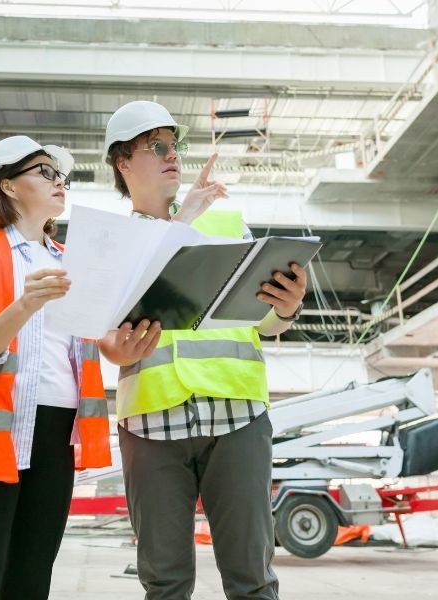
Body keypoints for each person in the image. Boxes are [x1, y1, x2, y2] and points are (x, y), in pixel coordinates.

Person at [98, 101, 308, 600]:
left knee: (253, 580)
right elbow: (104, 336)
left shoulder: (227, 224)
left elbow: (265, 322)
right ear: (123, 162)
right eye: (156, 147)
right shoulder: (110, 243)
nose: (172, 155)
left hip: (238, 419)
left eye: (175, 145)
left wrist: (287, 308)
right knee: (165, 583)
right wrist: (114, 351)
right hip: (151, 427)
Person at [0, 135, 112, 600]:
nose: (60, 183)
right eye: (45, 172)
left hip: (58, 427)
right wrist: (23, 306)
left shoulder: (73, 261)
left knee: (33, 574)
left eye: (63, 177)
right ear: (9, 186)